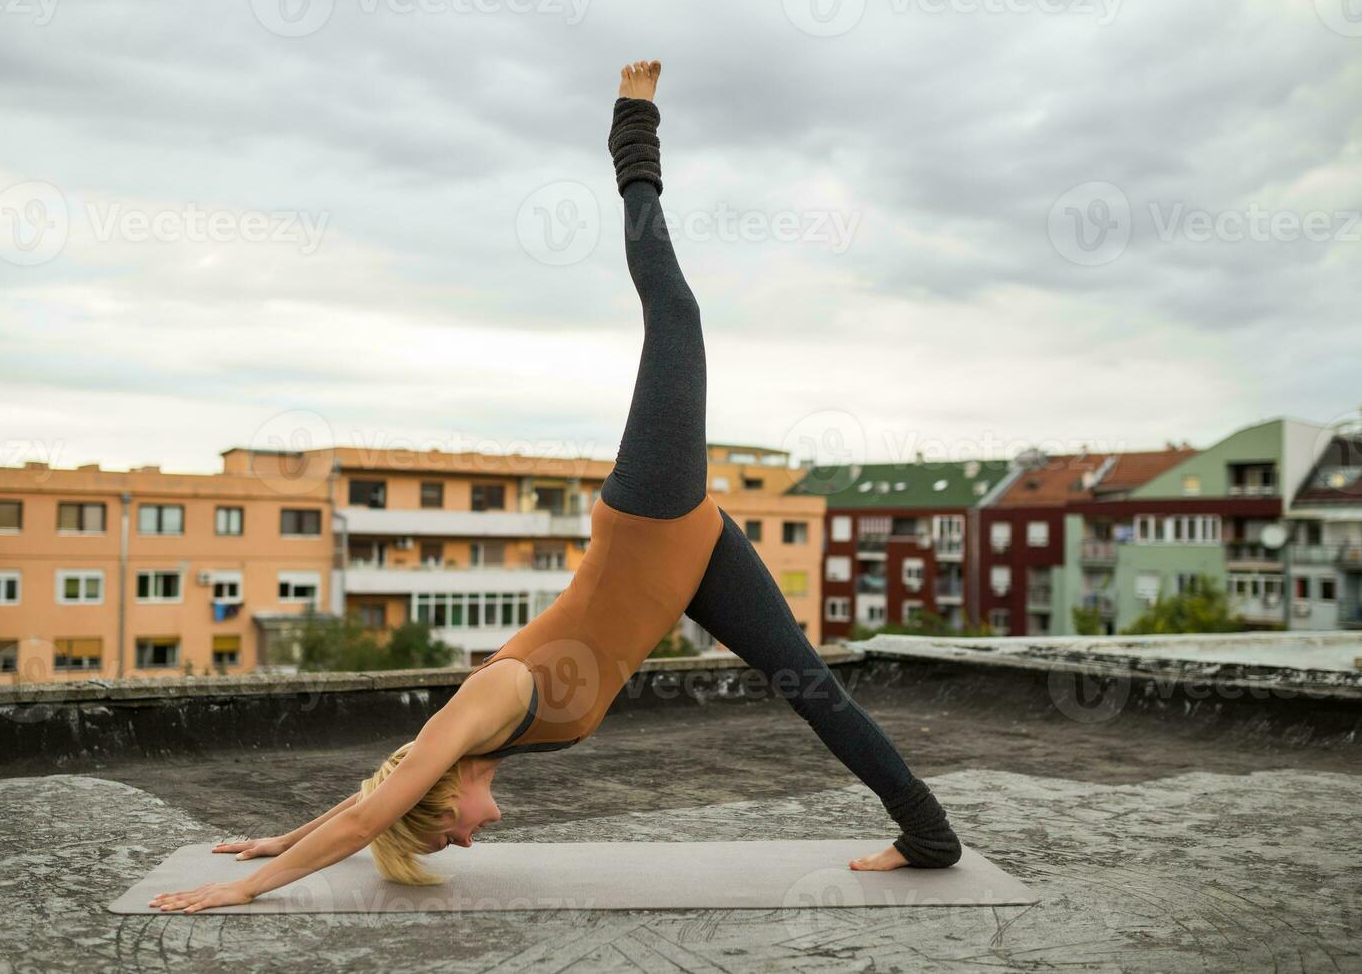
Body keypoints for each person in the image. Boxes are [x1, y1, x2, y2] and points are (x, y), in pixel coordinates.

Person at [150, 60, 960, 915]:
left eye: (442, 834)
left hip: (649, 520)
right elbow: (376, 797)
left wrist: (246, 887)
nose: (464, 841)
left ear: (442, 793)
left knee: (675, 317)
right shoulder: (483, 750)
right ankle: (929, 833)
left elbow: (380, 808)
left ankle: (632, 135)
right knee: (810, 686)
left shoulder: (491, 700)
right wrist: (283, 837)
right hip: (694, 563)